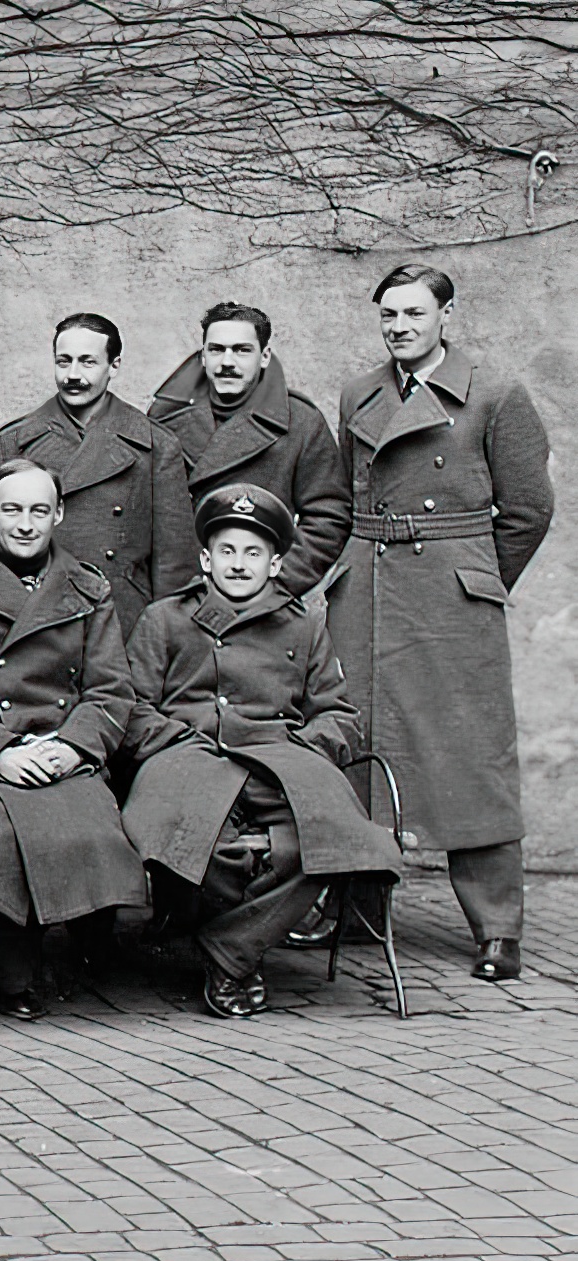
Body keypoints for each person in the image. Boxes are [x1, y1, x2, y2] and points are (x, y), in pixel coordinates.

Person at [324, 263, 553, 982]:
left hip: (450, 595)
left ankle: (496, 928)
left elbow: (527, 511)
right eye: (388, 315)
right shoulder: (359, 393)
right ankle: (358, 907)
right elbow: (343, 492)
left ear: (446, 315)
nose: (399, 327)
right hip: (367, 582)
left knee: (470, 753)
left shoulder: (495, 392)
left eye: (414, 313)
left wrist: (476, 580)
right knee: (357, 739)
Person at [122, 485, 402, 1018]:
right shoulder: (166, 619)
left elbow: (339, 715)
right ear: (206, 559)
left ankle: (228, 951)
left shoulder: (303, 624)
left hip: (278, 763)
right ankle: (236, 950)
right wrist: (177, 739)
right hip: (190, 758)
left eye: (253, 553)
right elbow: (131, 706)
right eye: (227, 551)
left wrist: (302, 745)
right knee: (195, 842)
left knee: (326, 843)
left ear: (275, 564)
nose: (239, 564)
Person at [0, 459, 145, 1019]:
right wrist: (2, 751)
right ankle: (11, 969)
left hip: (60, 748)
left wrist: (71, 748)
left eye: (39, 511)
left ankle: (66, 953)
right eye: (13, 509)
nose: (25, 524)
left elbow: (112, 693)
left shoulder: (89, 588)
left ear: (59, 515)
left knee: (87, 827)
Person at [0, 314, 191, 633]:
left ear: (114, 366)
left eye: (87, 362)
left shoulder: (155, 445)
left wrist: (165, 637)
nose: (72, 375)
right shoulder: (11, 442)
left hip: (123, 618)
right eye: (64, 362)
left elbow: (174, 561)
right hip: (33, 618)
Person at [146, 302, 350, 594]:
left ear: (264, 356)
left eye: (242, 350)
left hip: (260, 597)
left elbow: (329, 517)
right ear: (203, 356)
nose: (227, 362)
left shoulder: (301, 422)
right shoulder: (163, 416)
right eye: (216, 349)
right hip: (180, 594)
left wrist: (272, 584)